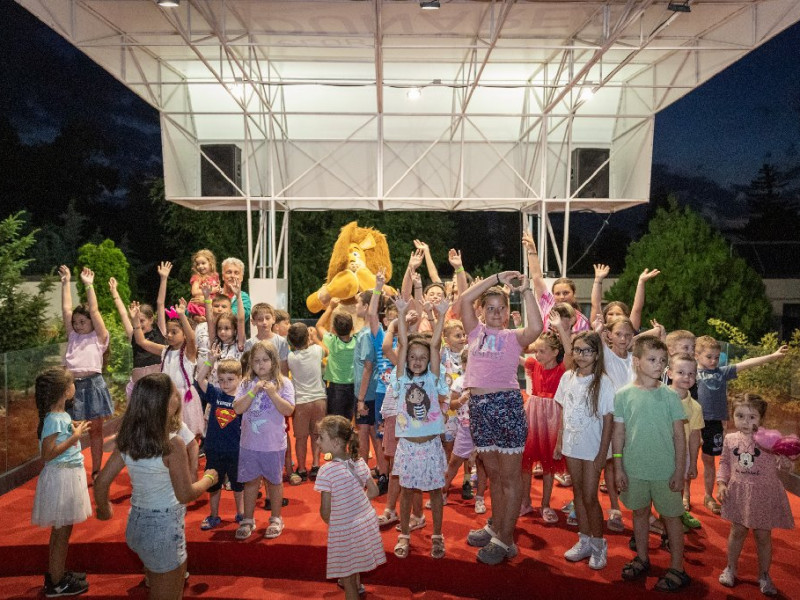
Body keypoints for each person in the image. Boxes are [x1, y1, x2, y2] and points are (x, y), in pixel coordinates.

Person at [94, 374, 219, 600]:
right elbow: (185, 494)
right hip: (162, 529)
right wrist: (209, 478)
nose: (179, 396)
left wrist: (104, 510)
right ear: (166, 403)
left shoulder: (128, 438)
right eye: (175, 393)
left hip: (136, 524)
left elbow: (101, 482)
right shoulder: (172, 444)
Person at [460, 270, 542, 565]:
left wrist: (526, 290)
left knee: (510, 476)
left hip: (506, 406)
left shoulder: (513, 337)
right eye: (490, 308)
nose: (496, 313)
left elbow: (537, 327)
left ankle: (506, 538)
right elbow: (464, 299)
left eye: (501, 308)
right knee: (493, 474)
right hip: (479, 407)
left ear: (508, 312)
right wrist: (496, 278)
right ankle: (496, 526)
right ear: (482, 311)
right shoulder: (474, 332)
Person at [613, 336, 690, 592]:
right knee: (640, 513)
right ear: (636, 362)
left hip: (665, 471)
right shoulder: (623, 395)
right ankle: (642, 558)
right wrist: (618, 465)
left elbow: (679, 436)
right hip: (634, 469)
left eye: (663, 360)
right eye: (652, 359)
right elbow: (619, 433)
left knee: (671, 518)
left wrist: (679, 470)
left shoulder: (670, 396)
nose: (659, 365)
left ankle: (677, 568)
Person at [694, 336, 789, 515]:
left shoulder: (722, 372)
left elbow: (746, 364)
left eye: (716, 357)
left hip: (713, 423)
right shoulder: (690, 373)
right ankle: (684, 495)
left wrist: (772, 356)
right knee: (688, 460)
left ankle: (708, 496)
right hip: (692, 421)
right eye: (709, 357)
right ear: (696, 355)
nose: (713, 361)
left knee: (709, 460)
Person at [717, 393, 794, 597]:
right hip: (739, 492)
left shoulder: (771, 441)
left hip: (764, 493)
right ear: (733, 416)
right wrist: (721, 483)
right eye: (740, 416)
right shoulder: (730, 439)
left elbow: (784, 464)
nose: (745, 422)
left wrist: (787, 457)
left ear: (761, 418)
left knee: (763, 536)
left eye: (752, 417)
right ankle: (731, 568)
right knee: (737, 531)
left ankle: (764, 575)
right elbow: (724, 462)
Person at [391, 296, 450, 560]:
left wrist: (442, 315)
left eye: (422, 357)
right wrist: (401, 313)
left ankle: (437, 535)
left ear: (429, 360)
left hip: (431, 446)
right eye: (413, 357)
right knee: (406, 492)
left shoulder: (433, 379)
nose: (416, 361)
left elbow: (435, 345)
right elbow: (403, 344)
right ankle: (404, 534)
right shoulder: (401, 379)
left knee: (435, 492)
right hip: (407, 447)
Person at [553, 331, 614, 569]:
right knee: (577, 493)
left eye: (587, 350)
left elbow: (608, 420)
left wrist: (602, 453)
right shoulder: (567, 377)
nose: (581, 355)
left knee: (590, 496)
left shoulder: (603, 382)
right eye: (577, 350)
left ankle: (599, 543)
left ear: (597, 354)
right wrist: (559, 442)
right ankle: (585, 539)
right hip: (572, 445)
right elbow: (563, 413)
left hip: (593, 448)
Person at [32, 367, 92, 597]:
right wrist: (74, 437)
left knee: (62, 531)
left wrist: (72, 428)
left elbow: (58, 434)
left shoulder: (59, 416)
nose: (74, 386)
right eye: (72, 383)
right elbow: (47, 454)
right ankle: (57, 583)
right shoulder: (54, 419)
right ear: (65, 391)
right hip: (62, 478)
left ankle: (57, 574)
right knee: (61, 533)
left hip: (67, 476)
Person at [315, 415, 386, 599]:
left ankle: (354, 589)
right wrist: (356, 503)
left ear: (336, 442)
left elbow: (325, 511)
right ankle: (358, 584)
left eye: (321, 437)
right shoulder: (359, 461)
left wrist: (338, 523)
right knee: (356, 561)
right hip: (364, 523)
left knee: (348, 582)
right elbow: (374, 491)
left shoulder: (326, 471)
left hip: (345, 530)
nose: (317, 442)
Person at [233, 341, 295, 540]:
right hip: (249, 444)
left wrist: (272, 393)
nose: (261, 364)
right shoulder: (245, 383)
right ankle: (248, 519)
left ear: (274, 361)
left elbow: (288, 410)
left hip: (273, 444)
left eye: (265, 360)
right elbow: (237, 408)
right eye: (256, 361)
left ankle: (276, 518)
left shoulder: (284, 383)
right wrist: (253, 391)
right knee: (250, 482)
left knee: (274, 482)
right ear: (251, 363)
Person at [59, 265, 113, 481]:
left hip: (93, 385)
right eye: (75, 323)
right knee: (71, 430)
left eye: (83, 322)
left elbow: (95, 311)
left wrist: (89, 286)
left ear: (91, 321)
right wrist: (66, 283)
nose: (78, 326)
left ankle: (97, 470)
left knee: (95, 430)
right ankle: (72, 468)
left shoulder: (99, 337)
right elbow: (66, 310)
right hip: (72, 386)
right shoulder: (73, 336)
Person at [520, 315, 571, 524]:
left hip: (553, 418)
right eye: (537, 350)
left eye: (542, 351)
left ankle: (545, 504)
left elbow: (570, 353)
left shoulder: (562, 369)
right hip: (533, 415)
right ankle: (525, 501)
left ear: (555, 352)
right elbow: (519, 350)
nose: (537, 354)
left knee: (549, 463)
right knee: (526, 462)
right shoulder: (533, 364)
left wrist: (560, 328)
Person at [130, 300, 204, 442]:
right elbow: (141, 342)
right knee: (168, 436)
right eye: (168, 332)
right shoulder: (165, 351)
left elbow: (191, 338)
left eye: (174, 332)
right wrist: (135, 321)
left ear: (184, 334)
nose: (169, 335)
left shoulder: (188, 352)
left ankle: (191, 455)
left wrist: (182, 316)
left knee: (188, 437)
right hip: (167, 397)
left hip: (184, 398)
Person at [194, 348, 245, 530]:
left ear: (240, 378)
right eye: (222, 379)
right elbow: (200, 379)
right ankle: (214, 515)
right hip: (214, 448)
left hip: (235, 450)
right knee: (213, 484)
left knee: (238, 485)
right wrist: (209, 361)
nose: (225, 384)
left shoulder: (242, 400)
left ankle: (241, 514)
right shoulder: (215, 394)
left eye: (230, 379)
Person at [109, 277, 166, 400]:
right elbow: (123, 314)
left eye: (142, 320)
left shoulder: (160, 331)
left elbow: (160, 303)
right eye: (136, 320)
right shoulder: (133, 334)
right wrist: (114, 292)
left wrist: (163, 278)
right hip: (138, 388)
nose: (139, 324)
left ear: (151, 319)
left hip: (157, 388)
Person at [286, 322, 328, 483]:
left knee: (301, 437)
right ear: (307, 337)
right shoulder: (316, 350)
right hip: (319, 399)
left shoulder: (291, 357)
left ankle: (302, 468)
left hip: (301, 402)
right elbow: (325, 350)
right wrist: (315, 338)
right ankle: (316, 465)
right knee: (316, 434)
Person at [667, 353, 704, 529]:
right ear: (670, 373)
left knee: (679, 485)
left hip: (683, 454)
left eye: (691, 374)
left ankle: (678, 514)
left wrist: (693, 463)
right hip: (660, 451)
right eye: (681, 372)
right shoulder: (658, 398)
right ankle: (659, 518)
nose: (686, 377)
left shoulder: (696, 407)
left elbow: (695, 436)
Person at [590, 263, 659, 332]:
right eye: (610, 314)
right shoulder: (599, 327)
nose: (614, 317)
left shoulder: (630, 329)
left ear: (626, 317)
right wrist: (598, 280)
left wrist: (641, 281)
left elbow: (637, 309)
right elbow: (595, 305)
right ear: (605, 317)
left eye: (618, 314)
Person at [317, 302, 357, 421]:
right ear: (352, 328)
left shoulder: (332, 341)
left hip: (335, 387)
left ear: (333, 330)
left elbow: (319, 325)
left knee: (334, 420)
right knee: (347, 420)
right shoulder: (357, 341)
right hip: (352, 386)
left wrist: (330, 307)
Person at [188, 249, 220, 314]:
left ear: (210, 263)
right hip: (200, 306)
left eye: (203, 263)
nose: (200, 266)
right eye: (198, 264)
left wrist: (219, 290)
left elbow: (218, 289)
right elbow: (194, 292)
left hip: (211, 304)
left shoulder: (215, 276)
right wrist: (211, 291)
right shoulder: (197, 277)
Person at [220, 257, 251, 323]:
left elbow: (235, 318)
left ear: (241, 277)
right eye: (229, 272)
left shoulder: (244, 298)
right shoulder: (214, 293)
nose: (232, 276)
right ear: (223, 276)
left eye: (236, 273)